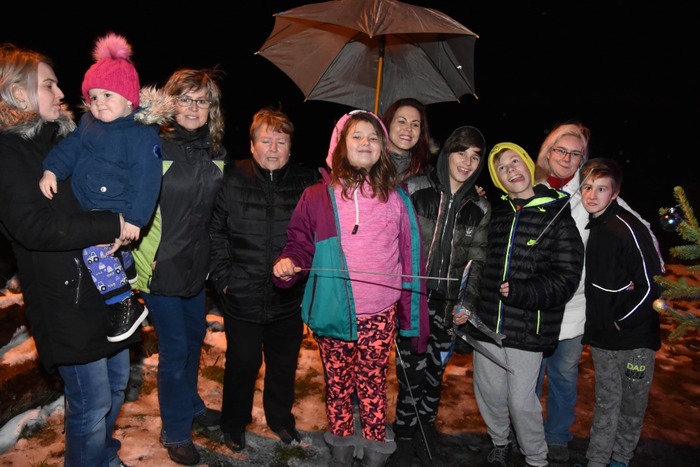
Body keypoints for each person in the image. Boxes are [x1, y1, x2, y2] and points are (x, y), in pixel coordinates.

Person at [0, 43, 136, 467]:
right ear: (18, 93)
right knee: (91, 403)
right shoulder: (8, 153)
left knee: (117, 385)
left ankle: (104, 457)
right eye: (49, 85)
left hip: (105, 288)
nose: (61, 93)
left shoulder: (71, 139)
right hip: (64, 302)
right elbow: (34, 227)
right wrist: (112, 224)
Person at [272, 110, 430, 467]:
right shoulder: (318, 195)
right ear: (340, 145)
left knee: (373, 385)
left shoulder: (396, 197)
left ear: (383, 148)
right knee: (339, 384)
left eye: (373, 137)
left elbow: (408, 253)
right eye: (356, 136)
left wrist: (409, 309)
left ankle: (374, 447)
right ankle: (341, 445)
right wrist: (289, 262)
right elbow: (299, 242)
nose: (365, 142)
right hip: (335, 310)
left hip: (380, 313)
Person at [533, 122, 664, 463]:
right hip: (537, 306)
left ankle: (558, 436)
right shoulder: (532, 188)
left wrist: (644, 279)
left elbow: (642, 233)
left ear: (583, 158)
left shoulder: (589, 189)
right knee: (530, 377)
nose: (567, 158)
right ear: (548, 152)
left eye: (575, 153)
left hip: (580, 310)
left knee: (564, 375)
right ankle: (529, 437)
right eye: (561, 150)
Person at [38, 33, 164, 343]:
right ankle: (126, 268)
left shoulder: (140, 134)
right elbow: (70, 149)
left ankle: (124, 304)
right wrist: (52, 169)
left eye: (107, 95)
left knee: (94, 253)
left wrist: (135, 219)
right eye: (93, 97)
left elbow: (147, 179)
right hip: (89, 204)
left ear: (129, 99)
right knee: (109, 251)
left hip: (117, 207)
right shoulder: (87, 124)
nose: (99, 103)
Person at [208, 107, 320, 454]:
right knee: (242, 363)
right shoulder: (232, 177)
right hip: (241, 294)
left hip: (288, 298)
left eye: (281, 141)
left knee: (283, 364)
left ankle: (280, 419)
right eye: (266, 141)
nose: (273, 149)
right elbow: (215, 232)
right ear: (252, 145)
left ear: (290, 146)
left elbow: (316, 236)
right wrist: (225, 280)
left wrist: (303, 275)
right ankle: (233, 423)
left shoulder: (307, 183)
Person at [130, 68, 227, 465]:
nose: (193, 108)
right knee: (174, 350)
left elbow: (217, 212)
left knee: (193, 339)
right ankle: (175, 431)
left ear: (212, 108)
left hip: (196, 267)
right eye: (185, 99)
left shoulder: (215, 151)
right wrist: (140, 259)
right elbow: (133, 204)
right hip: (159, 265)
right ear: (170, 102)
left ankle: (190, 404)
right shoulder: (154, 146)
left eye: (202, 101)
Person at [468, 142, 584, 467]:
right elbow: (476, 261)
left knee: (521, 402)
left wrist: (524, 291)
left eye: (515, 162)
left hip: (528, 327)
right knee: (489, 394)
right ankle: (500, 442)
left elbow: (567, 276)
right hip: (487, 324)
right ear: (498, 179)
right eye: (502, 169)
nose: (511, 171)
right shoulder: (497, 213)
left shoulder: (557, 214)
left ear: (528, 165)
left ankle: (536, 457)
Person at [391, 125, 490, 465]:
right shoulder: (414, 188)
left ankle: (425, 429)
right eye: (461, 152)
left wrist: (468, 302)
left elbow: (477, 261)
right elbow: (395, 240)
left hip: (449, 307)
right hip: (414, 301)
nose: (466, 162)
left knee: (435, 373)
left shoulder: (480, 206)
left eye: (475, 156)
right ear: (447, 152)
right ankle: (404, 435)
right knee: (411, 373)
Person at [579, 158, 663, 467]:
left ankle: (620, 459)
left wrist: (622, 320)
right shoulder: (597, 224)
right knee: (606, 401)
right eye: (587, 187)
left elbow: (653, 285)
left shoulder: (628, 229)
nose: (592, 195)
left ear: (615, 193)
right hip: (603, 337)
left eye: (601, 189)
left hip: (633, 339)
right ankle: (597, 460)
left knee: (631, 404)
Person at [380, 97, 436, 182]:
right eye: (402, 122)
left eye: (415, 125)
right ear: (388, 123)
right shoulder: (369, 163)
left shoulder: (427, 172)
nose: (409, 128)